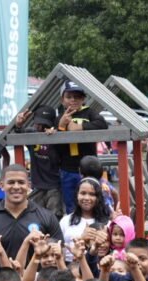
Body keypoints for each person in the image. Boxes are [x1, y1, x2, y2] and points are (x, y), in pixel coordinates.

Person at [0, 165, 63, 262]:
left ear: (28, 185)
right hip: (1, 272)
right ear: (1, 185)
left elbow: (58, 254)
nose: (16, 187)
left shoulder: (47, 217)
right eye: (11, 182)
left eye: (21, 182)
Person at [52, 81, 109, 213]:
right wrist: (61, 127)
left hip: (90, 168)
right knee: (71, 204)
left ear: (83, 99)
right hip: (67, 168)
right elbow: (56, 148)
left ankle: (94, 222)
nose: (73, 100)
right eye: (69, 97)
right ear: (62, 100)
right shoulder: (59, 118)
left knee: (94, 201)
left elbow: (102, 124)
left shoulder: (89, 113)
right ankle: (74, 224)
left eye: (77, 97)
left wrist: (79, 127)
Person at [13, 106, 64, 218]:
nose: (40, 127)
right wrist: (19, 125)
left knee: (54, 217)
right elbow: (18, 133)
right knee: (34, 217)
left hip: (55, 186)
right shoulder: (32, 134)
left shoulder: (56, 136)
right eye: (38, 124)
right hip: (37, 186)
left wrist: (56, 133)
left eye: (45, 125)